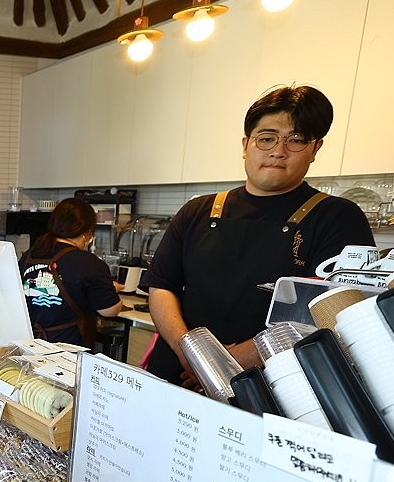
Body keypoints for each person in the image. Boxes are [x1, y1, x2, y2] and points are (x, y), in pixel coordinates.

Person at [144, 85, 375, 388]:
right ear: (246, 144)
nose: (278, 151)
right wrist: (188, 350)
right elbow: (162, 286)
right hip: (175, 372)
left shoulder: (338, 218)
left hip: (270, 384)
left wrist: (233, 360)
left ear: (315, 149)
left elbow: (333, 310)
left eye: (296, 140)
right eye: (266, 138)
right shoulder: (197, 210)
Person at [19, 198, 123, 347]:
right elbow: (110, 310)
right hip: (68, 351)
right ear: (86, 233)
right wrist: (112, 289)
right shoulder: (89, 263)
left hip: (28, 345)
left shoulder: (29, 255)